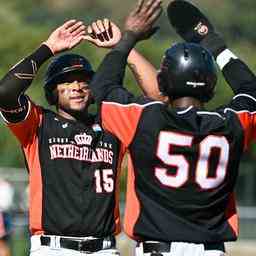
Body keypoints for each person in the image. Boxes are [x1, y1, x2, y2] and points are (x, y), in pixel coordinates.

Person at [87, 0, 256, 255]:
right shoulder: (232, 125)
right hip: (211, 249)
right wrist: (214, 44)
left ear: (163, 84)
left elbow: (104, 87)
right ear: (210, 84)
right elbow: (250, 89)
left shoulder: (145, 119)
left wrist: (129, 36)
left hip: (158, 248)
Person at [0, 17, 160, 255]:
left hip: (104, 249)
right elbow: (5, 92)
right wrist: (48, 48)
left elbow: (159, 99)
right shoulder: (39, 124)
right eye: (65, 81)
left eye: (83, 80)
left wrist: (123, 46)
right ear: (52, 92)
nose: (76, 86)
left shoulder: (113, 123)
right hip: (53, 249)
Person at [0, 179, 14, 256]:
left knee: (3, 243)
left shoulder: (5, 185)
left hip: (3, 214)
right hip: (4, 214)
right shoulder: (6, 186)